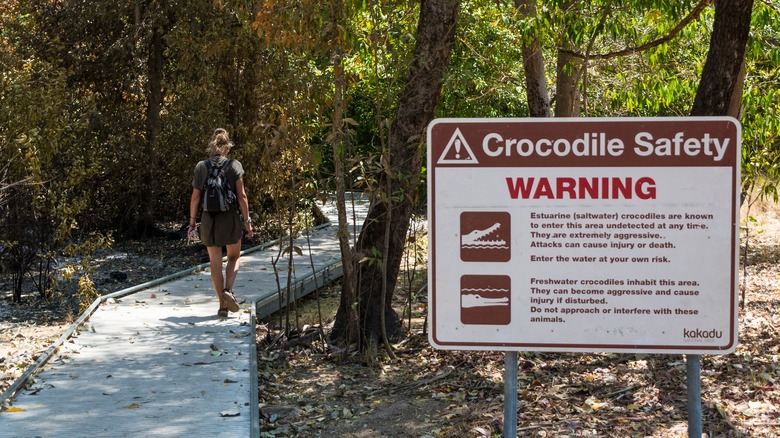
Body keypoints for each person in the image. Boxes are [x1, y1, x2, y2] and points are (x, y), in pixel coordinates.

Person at [187, 128, 253, 317]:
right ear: (228, 146)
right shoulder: (234, 165)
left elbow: (195, 198)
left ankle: (222, 306)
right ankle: (228, 290)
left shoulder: (201, 166)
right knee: (234, 257)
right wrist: (247, 221)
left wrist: (192, 223)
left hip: (208, 218)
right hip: (229, 217)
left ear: (213, 146)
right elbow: (242, 196)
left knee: (215, 262)